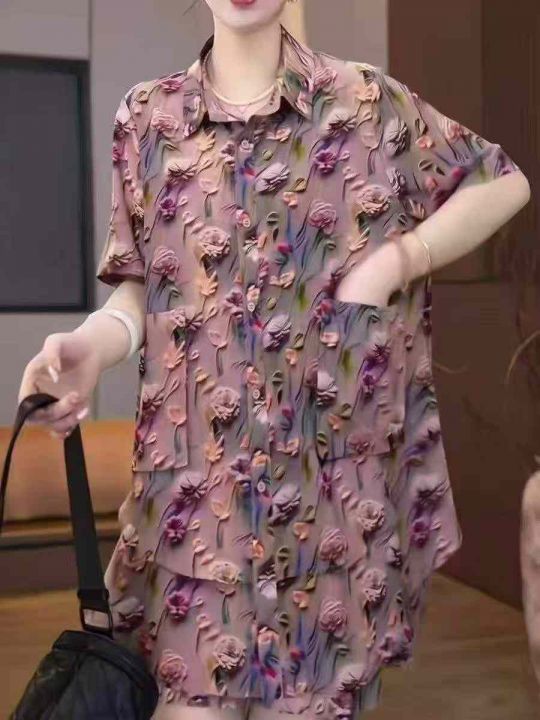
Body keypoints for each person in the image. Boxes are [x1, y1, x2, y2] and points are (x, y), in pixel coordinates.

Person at [17, 1, 530, 718]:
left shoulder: (364, 101)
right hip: (199, 503)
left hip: (329, 506)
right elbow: (143, 286)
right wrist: (90, 347)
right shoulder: (148, 118)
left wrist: (395, 261)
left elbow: (501, 180)